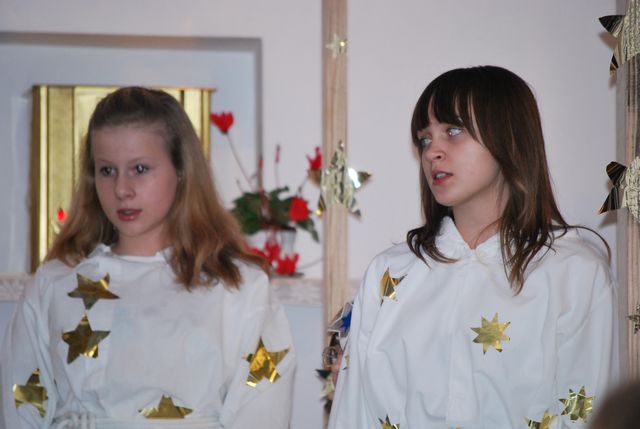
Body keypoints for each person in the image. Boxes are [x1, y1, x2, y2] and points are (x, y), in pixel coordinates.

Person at [328, 66, 618, 428]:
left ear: (509, 137)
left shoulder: (572, 273)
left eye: (453, 131)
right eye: (424, 139)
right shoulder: (390, 273)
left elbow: (585, 413)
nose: (432, 151)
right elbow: (355, 416)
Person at [0, 87, 295, 428]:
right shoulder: (54, 284)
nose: (122, 189)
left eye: (139, 169)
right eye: (107, 170)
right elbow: (24, 408)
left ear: (181, 170)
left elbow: (261, 412)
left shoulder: (237, 289)